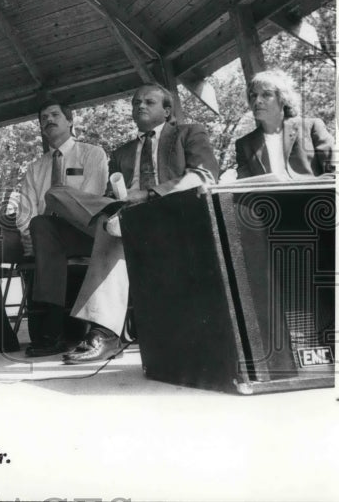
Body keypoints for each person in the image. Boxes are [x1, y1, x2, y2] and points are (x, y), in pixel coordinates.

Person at [41, 84, 220, 364]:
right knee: (56, 193)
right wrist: (116, 202)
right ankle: (120, 219)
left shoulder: (188, 133)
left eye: (149, 102)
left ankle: (105, 332)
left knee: (112, 228)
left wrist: (149, 194)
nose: (140, 106)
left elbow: (204, 176)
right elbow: (111, 193)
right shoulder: (122, 152)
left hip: (168, 216)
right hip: (123, 214)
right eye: (136, 102)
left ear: (167, 110)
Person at [18, 102, 109, 357]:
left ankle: (52, 330)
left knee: (46, 220)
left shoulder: (92, 154)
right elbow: (25, 206)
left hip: (85, 232)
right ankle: (46, 330)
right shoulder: (35, 167)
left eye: (55, 115)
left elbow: (91, 199)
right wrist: (28, 234)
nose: (48, 119)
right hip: (44, 234)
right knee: (38, 226)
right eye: (43, 117)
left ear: (70, 121)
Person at [235, 69, 334, 179]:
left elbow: (335, 173)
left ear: (283, 98)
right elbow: (244, 187)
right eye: (253, 95)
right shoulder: (244, 144)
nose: (257, 101)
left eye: (266, 94)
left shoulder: (311, 127)